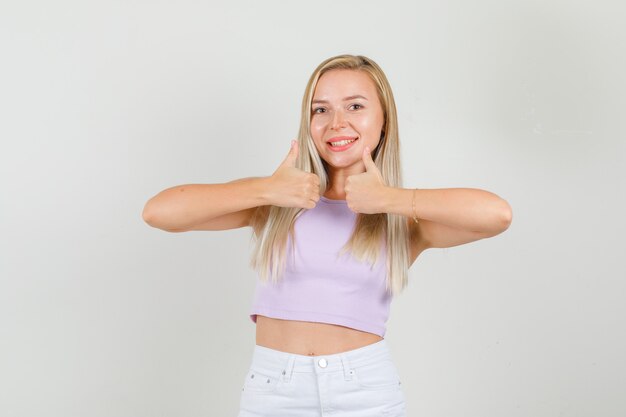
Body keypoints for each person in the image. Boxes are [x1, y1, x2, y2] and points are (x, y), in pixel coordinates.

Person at [142, 54, 513, 416]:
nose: (337, 122)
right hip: (274, 391)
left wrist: (390, 198)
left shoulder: (402, 220)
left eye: (355, 107)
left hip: (366, 390)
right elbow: (159, 213)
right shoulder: (274, 201)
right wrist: (266, 190)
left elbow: (496, 215)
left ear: (384, 120)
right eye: (321, 110)